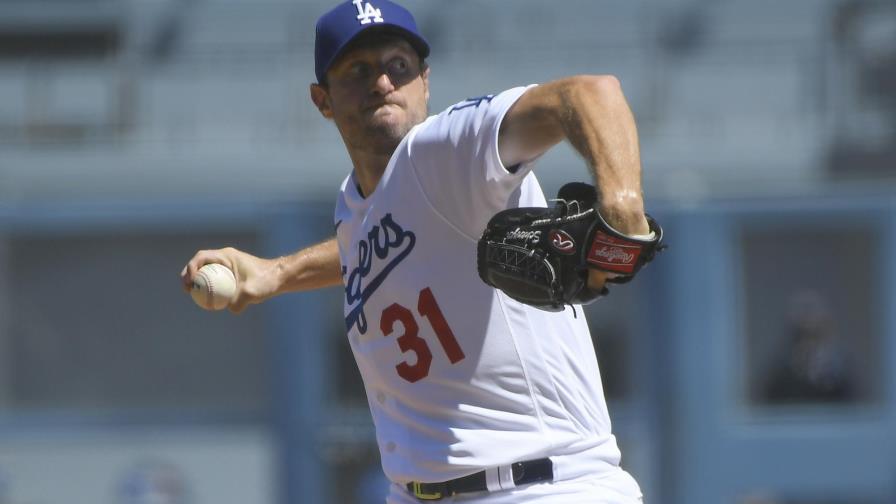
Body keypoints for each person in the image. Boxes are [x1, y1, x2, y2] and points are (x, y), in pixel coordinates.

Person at [181, 1, 651, 502]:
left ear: (425, 82)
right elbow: (360, 251)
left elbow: (589, 93)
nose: (382, 82)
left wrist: (623, 203)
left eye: (398, 67)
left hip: (543, 486)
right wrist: (275, 273)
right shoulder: (355, 206)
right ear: (322, 99)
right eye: (358, 70)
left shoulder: (443, 148)